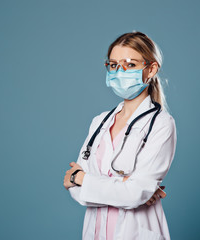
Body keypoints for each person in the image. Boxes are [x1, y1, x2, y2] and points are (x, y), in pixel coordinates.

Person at [63, 31, 177, 240]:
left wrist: (82, 179)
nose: (119, 71)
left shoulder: (161, 124)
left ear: (151, 69)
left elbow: (134, 194)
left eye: (130, 64)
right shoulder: (100, 122)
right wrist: (124, 188)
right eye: (114, 65)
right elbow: (75, 191)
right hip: (96, 231)